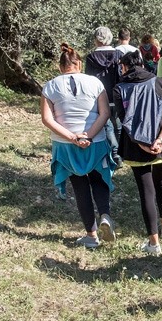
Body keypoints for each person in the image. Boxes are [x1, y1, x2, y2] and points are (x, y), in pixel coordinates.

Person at [41, 43, 118, 249]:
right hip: (96, 141)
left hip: (66, 145)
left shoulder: (50, 86)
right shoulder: (95, 83)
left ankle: (91, 236)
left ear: (60, 66)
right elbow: (105, 114)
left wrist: (72, 137)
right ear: (79, 63)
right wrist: (89, 136)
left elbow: (47, 119)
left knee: (80, 187)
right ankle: (104, 215)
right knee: (99, 180)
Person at [113, 50, 162, 256]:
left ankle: (154, 243)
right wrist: (159, 140)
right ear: (141, 63)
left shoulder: (119, 88)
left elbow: (125, 122)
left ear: (124, 67)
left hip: (136, 148)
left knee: (146, 192)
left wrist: (143, 145)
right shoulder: (159, 82)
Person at [84, 26, 122, 164]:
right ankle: (120, 152)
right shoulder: (118, 55)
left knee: (107, 126)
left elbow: (88, 79)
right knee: (118, 125)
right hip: (116, 96)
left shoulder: (91, 57)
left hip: (99, 97)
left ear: (96, 39)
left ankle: (114, 153)